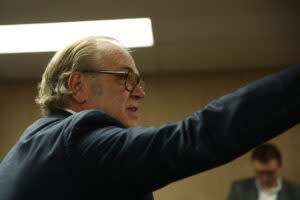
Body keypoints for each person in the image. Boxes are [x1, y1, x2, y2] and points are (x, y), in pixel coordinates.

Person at [0, 35, 299, 200]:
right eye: (126, 79)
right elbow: (195, 137)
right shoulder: (78, 137)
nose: (139, 93)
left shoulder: (24, 150)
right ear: (77, 85)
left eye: (140, 82)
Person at [227, 143, 300, 200]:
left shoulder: (295, 192)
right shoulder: (239, 189)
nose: (265, 178)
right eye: (260, 173)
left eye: (270, 173)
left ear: (280, 167)